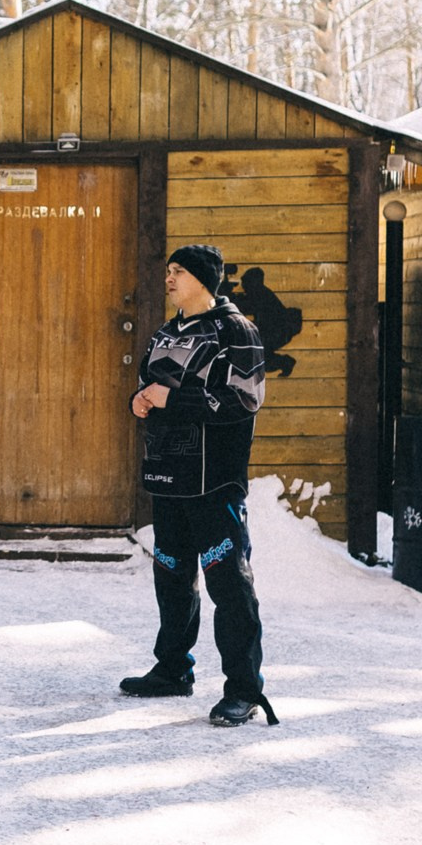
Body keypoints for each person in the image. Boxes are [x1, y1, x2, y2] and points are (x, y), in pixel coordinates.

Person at [117, 244, 277, 728]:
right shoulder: (166, 332)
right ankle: (172, 670)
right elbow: (153, 386)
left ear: (204, 280)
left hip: (215, 480)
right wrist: (139, 400)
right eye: (167, 270)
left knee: (228, 586)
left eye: (179, 271)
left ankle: (244, 691)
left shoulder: (237, 331)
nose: (168, 278)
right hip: (169, 476)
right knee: (171, 578)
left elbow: (244, 399)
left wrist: (172, 397)